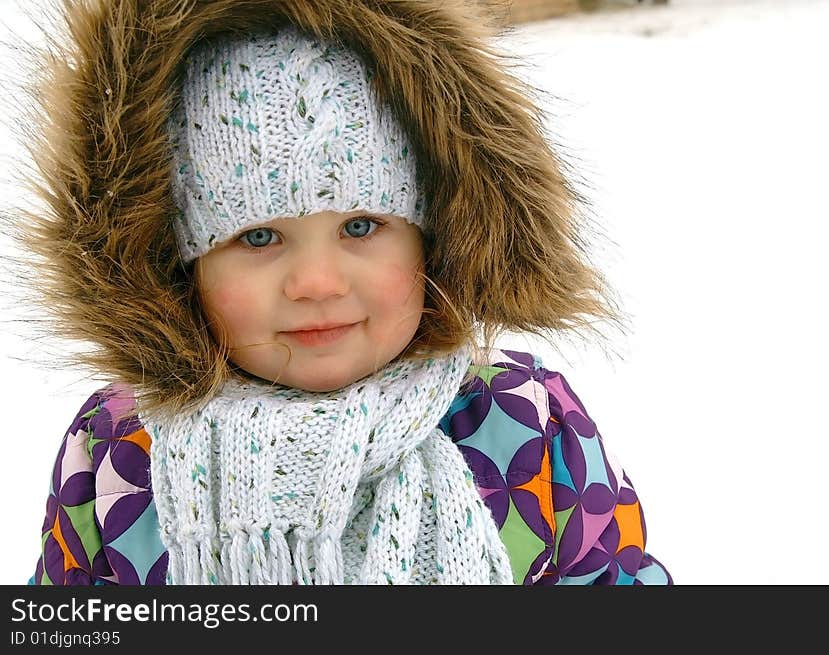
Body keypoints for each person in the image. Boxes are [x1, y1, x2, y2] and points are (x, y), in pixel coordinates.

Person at [13, 0, 671, 585]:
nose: (318, 283)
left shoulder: (522, 421)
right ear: (174, 267)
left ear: (431, 239)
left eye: (361, 225)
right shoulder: (118, 453)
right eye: (259, 237)